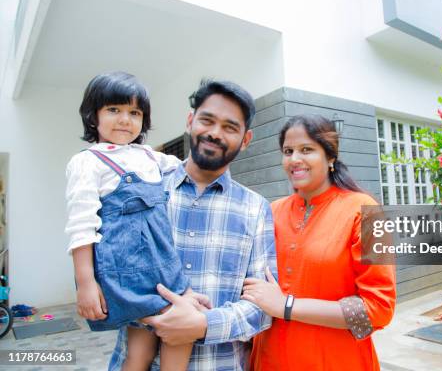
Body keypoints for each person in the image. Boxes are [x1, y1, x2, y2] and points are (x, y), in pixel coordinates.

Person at [108, 79, 277, 371]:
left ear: (246, 139)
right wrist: (154, 314)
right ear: (190, 121)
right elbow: (114, 272)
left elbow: (262, 308)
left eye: (230, 127)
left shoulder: (256, 209)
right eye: (207, 120)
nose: (214, 133)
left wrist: (202, 324)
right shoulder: (144, 191)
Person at [65, 72, 208, 371]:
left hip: (163, 266)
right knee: (176, 333)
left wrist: (202, 128)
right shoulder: (88, 161)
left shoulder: (150, 157)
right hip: (125, 271)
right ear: (93, 116)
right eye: (114, 110)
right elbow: (81, 227)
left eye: (134, 112)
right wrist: (86, 283)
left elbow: (189, 167)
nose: (124, 120)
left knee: (145, 347)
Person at [242, 114, 396, 370]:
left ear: (330, 156)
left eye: (307, 149)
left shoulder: (368, 212)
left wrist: (287, 306)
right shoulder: (270, 211)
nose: (294, 159)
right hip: (269, 360)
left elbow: (378, 308)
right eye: (288, 151)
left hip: (337, 361)